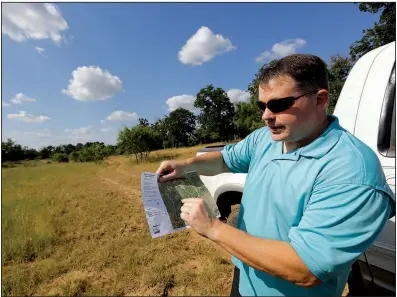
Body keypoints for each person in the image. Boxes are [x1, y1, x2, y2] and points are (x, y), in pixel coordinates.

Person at [156, 54, 395, 296]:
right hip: (246, 271)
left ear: (320, 100)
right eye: (262, 105)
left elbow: (305, 268)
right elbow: (225, 159)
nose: (266, 116)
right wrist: (186, 165)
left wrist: (213, 228)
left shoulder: (351, 171)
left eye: (279, 105)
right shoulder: (265, 139)